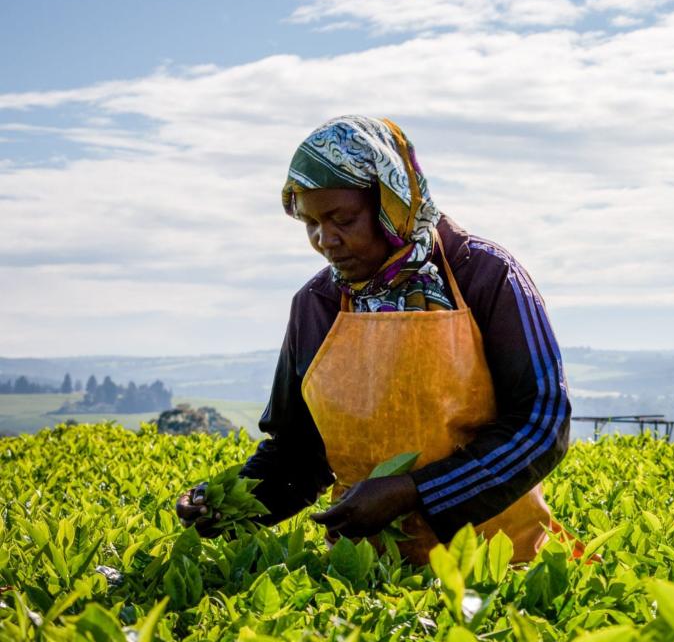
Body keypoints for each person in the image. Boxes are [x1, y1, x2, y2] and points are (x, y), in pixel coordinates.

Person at [175, 115, 572, 562]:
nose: (326, 240)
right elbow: (300, 453)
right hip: (363, 574)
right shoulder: (317, 304)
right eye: (310, 223)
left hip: (498, 564)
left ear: (391, 204)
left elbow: (542, 421)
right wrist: (229, 504)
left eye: (342, 218)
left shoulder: (485, 275)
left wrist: (414, 492)